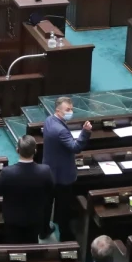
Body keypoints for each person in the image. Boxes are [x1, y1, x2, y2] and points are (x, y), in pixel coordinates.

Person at [43, 97, 92, 241]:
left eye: (72, 109)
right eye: (68, 110)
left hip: (49, 169)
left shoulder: (49, 121)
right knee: (64, 206)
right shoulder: (60, 130)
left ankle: (44, 229)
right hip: (62, 174)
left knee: (48, 203)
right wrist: (85, 132)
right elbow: (75, 147)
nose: (71, 112)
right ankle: (65, 236)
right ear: (58, 110)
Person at [0, 136, 54, 243]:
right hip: (35, 218)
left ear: (17, 150)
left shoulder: (7, 173)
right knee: (32, 244)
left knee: (12, 245)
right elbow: (51, 191)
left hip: (12, 219)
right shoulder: (45, 171)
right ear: (35, 151)